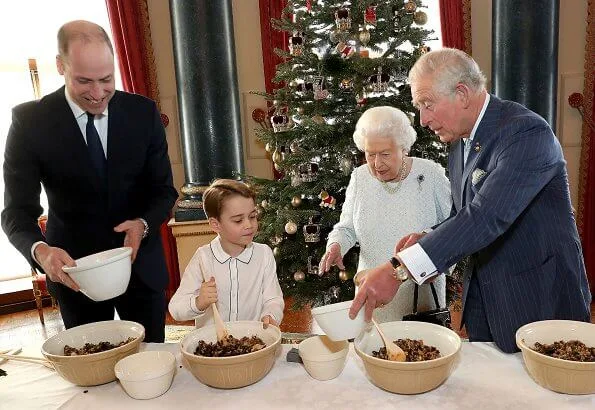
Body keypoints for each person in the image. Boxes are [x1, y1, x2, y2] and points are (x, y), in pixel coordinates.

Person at [349, 48, 592, 353]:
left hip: (538, 295)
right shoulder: (460, 139)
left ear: (462, 94)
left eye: (427, 104)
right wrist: (431, 236)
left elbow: (485, 217)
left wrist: (399, 269)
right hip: (485, 299)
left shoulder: (526, 133)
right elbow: (464, 213)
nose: (422, 119)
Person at [1, 20, 178, 342]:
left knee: (152, 371)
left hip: (141, 272)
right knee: (91, 375)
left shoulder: (144, 114)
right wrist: (41, 252)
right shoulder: (30, 123)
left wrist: (143, 224)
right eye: (84, 81)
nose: (98, 94)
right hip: (73, 275)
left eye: (106, 80)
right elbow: (15, 213)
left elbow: (164, 191)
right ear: (60, 66)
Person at [319, 106, 451, 322]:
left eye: (385, 154)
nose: (377, 164)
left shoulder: (430, 174)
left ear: (404, 148)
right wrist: (336, 245)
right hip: (371, 294)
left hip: (419, 298)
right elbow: (347, 228)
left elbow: (452, 229)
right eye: (370, 155)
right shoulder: (360, 178)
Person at [168, 179, 284, 328]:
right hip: (213, 346)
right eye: (238, 220)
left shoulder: (264, 254)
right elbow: (176, 309)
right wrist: (198, 302)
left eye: (252, 216)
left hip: (252, 341)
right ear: (216, 224)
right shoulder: (203, 257)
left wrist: (270, 315)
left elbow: (273, 299)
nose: (249, 225)